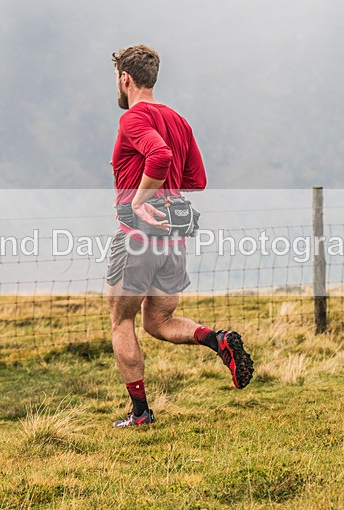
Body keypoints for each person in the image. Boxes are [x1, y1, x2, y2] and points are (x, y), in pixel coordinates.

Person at [107, 44, 254, 427]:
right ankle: (217, 340)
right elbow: (196, 179)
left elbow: (160, 157)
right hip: (172, 239)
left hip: (137, 236)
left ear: (125, 79)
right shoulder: (179, 121)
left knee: (121, 322)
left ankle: (140, 413)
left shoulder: (133, 118)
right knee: (158, 321)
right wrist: (165, 192)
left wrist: (140, 200)